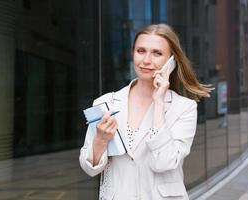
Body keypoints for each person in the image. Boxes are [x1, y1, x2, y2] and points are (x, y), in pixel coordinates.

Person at [79, 24, 212, 200]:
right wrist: (100, 141)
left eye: (157, 53)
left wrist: (159, 104)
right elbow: (89, 168)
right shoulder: (105, 103)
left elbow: (164, 162)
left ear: (171, 61)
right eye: (141, 51)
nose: (146, 60)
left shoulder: (184, 108)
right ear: (133, 53)